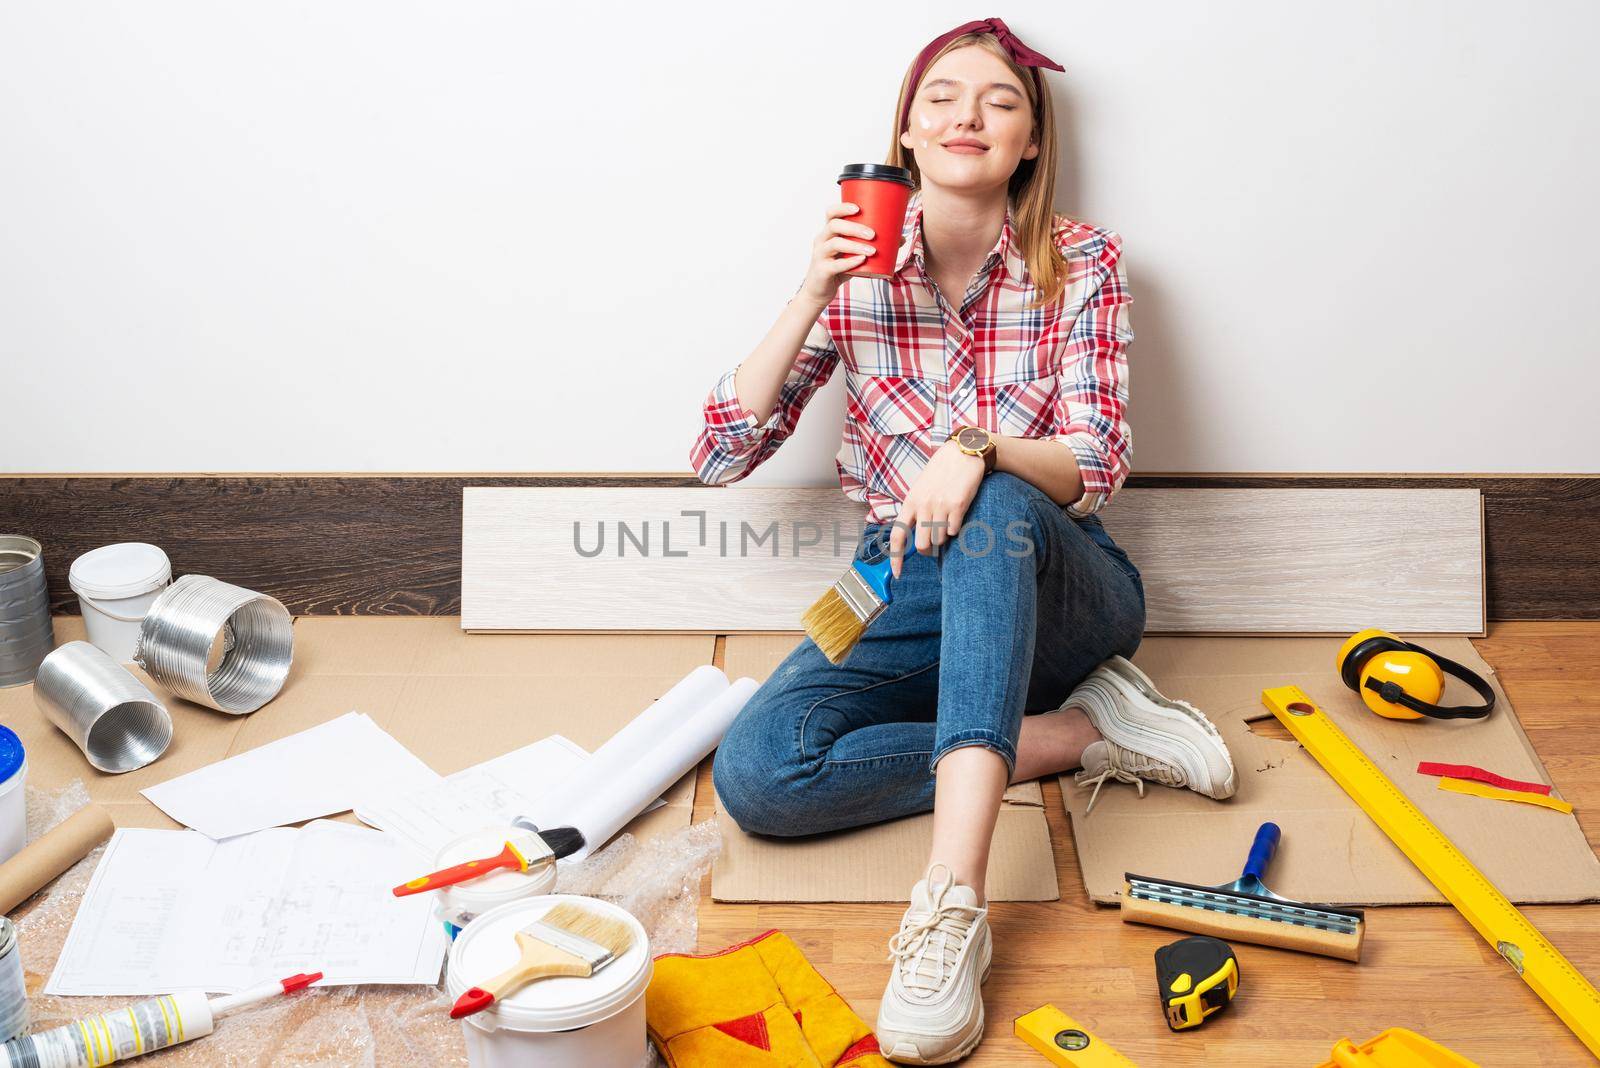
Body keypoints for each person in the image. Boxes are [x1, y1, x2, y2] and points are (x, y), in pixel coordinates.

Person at [688, 18, 1236, 1065]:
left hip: (1069, 589)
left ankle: (949, 907)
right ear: (905, 128)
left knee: (989, 504)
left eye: (997, 101)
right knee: (761, 776)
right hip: (903, 589)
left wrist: (977, 446)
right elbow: (718, 455)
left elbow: (1096, 465)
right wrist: (810, 293)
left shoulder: (1082, 260)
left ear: (1030, 139)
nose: (965, 116)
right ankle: (1090, 737)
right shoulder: (858, 276)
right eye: (940, 96)